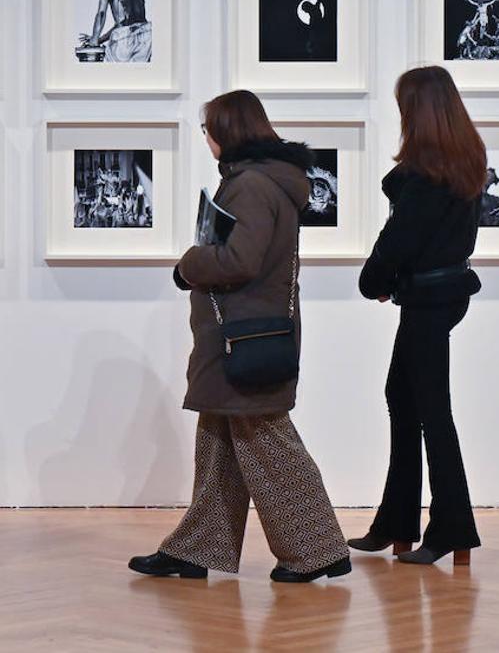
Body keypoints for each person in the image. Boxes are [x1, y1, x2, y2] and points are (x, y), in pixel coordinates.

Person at [129, 90, 350, 584]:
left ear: (226, 133)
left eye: (207, 131)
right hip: (245, 332)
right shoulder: (266, 180)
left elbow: (239, 260)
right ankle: (195, 549)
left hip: (242, 336)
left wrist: (188, 263)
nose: (206, 139)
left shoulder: (250, 185)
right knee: (218, 443)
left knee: (266, 439)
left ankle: (317, 550)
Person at [348, 66, 486, 566]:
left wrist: (374, 283)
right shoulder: (461, 161)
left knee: (430, 411)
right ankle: (397, 522)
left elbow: (399, 242)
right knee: (404, 399)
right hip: (440, 296)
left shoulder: (429, 174)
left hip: (428, 300)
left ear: (418, 112)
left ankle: (453, 528)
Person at [78, 0, 152, 62]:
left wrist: (94, 39)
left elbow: (102, 14)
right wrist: (100, 40)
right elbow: (132, 26)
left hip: (123, 43)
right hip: (147, 35)